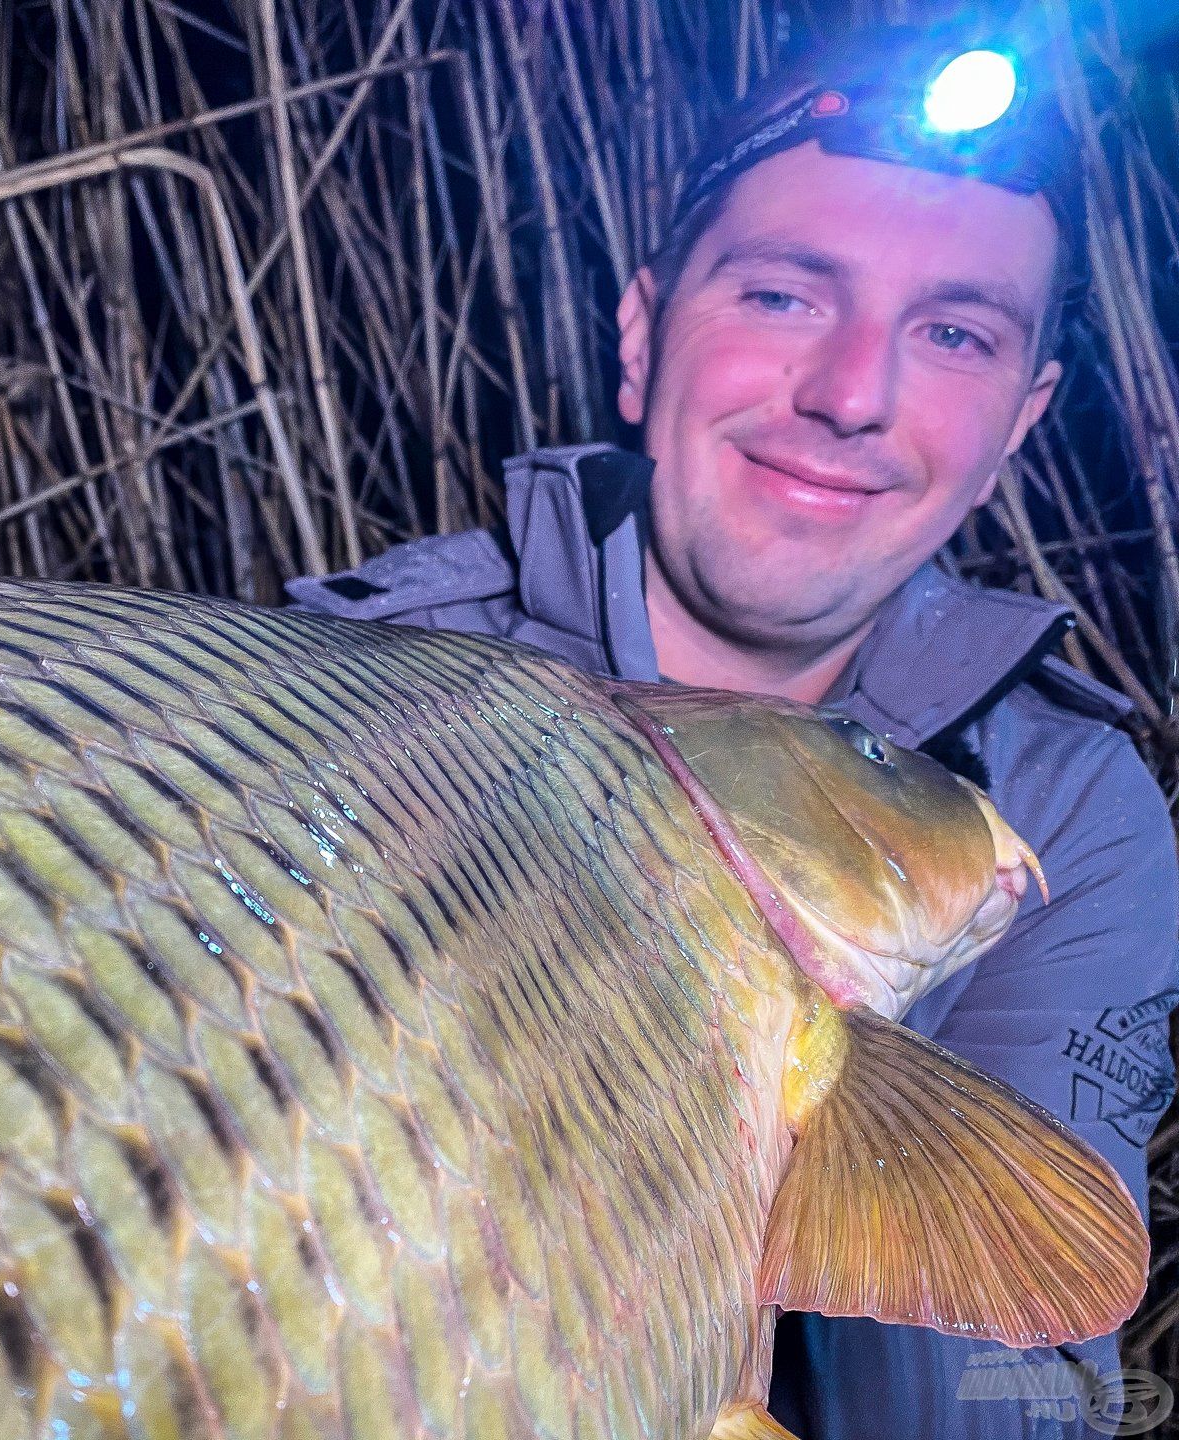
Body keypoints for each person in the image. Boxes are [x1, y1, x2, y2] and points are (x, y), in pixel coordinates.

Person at [287, 25, 1179, 1440]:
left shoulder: (1059, 806)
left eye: (953, 334)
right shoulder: (349, 689)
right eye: (780, 293)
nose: (850, 393)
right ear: (644, 338)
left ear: (1022, 421)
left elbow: (1024, 1387)